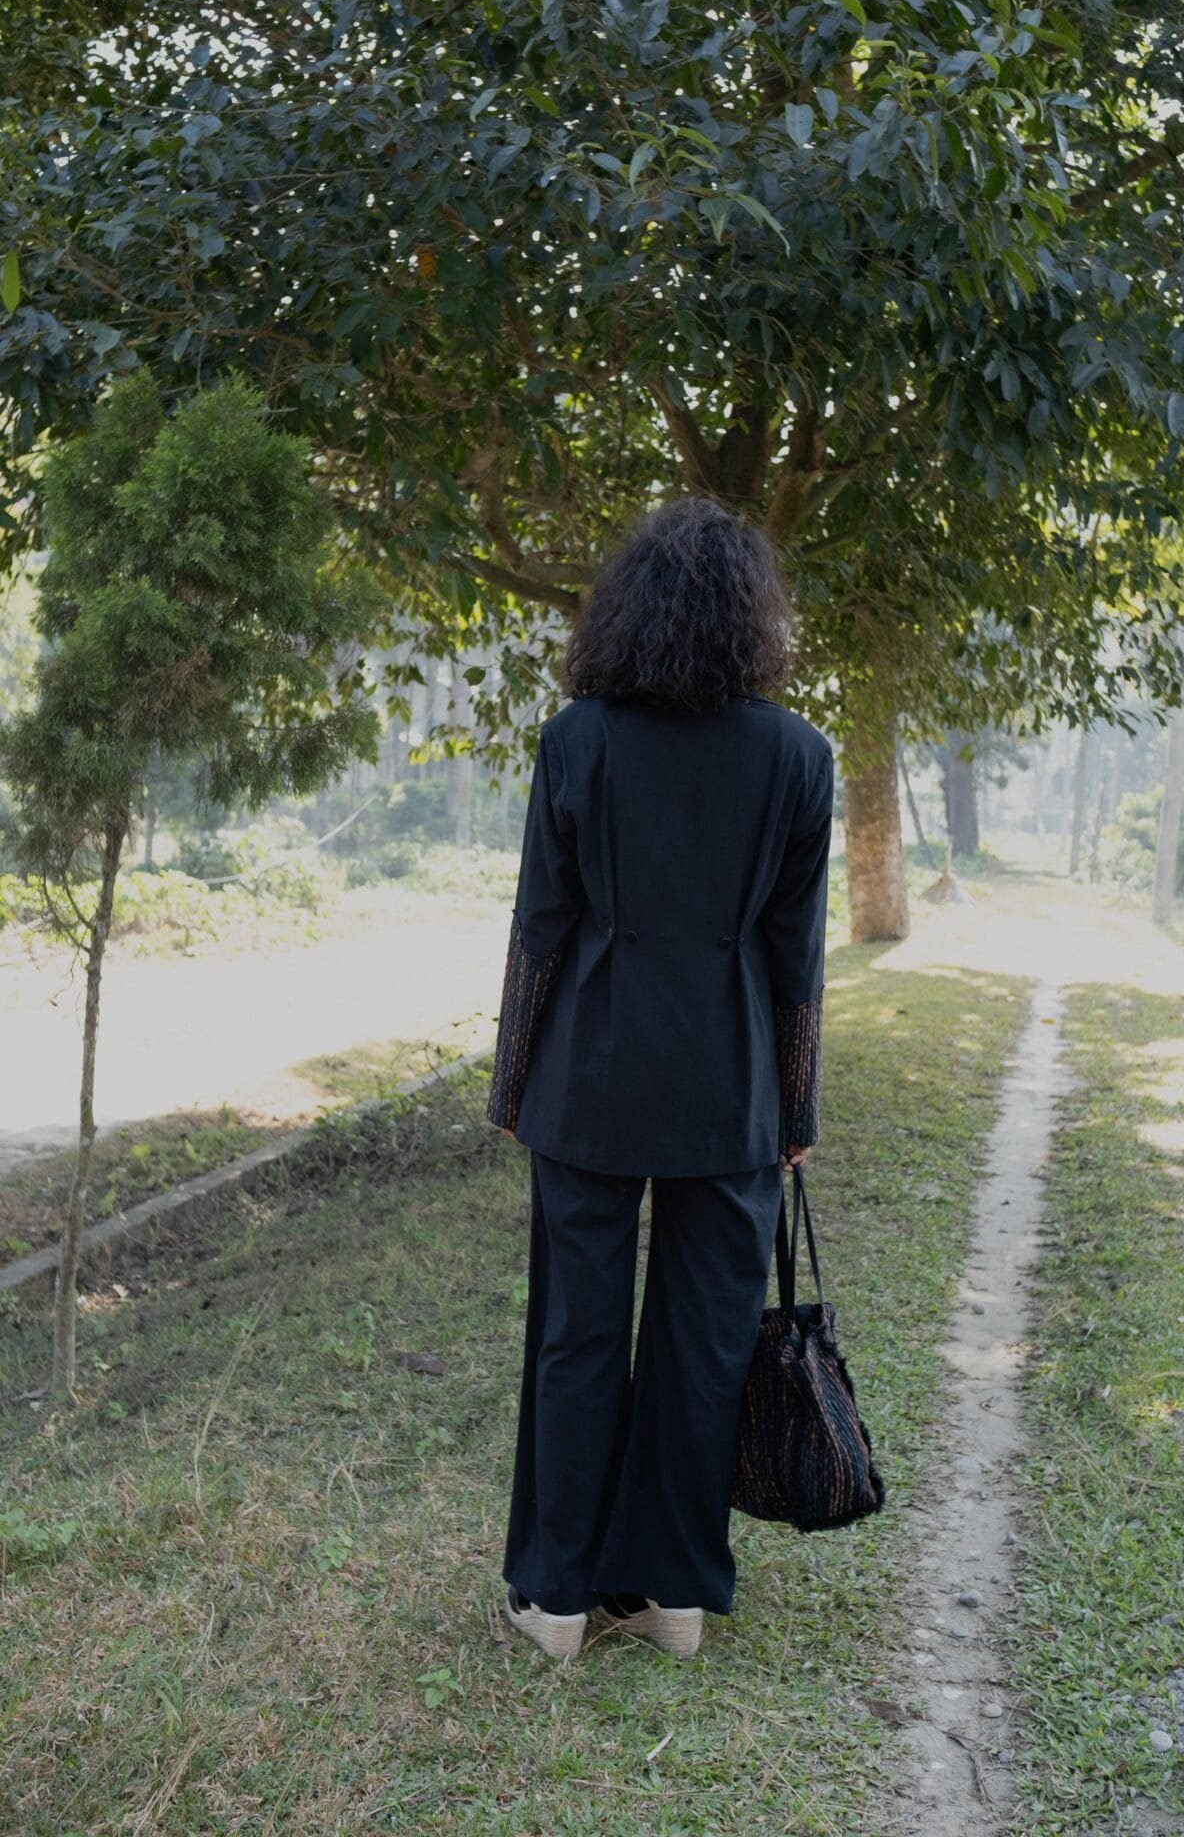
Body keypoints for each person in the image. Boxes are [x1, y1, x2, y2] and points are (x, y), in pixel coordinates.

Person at [486, 494, 834, 1662]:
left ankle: (555, 1601)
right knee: (705, 1344)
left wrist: (510, 1084)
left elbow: (539, 931)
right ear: (753, 620)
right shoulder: (798, 756)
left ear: (625, 611)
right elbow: (794, 960)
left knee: (575, 1337)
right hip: (728, 1090)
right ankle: (671, 1595)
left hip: (586, 1081)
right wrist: (795, 1106)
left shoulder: (575, 740)